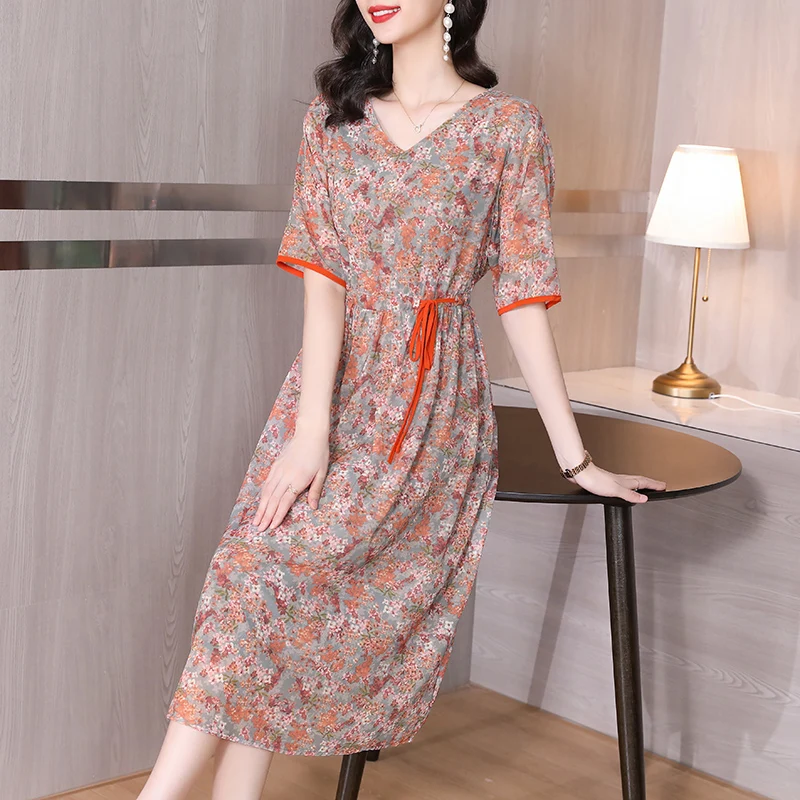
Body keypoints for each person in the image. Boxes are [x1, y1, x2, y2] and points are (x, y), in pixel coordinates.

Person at [137, 1, 667, 797]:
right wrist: (311, 431)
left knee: (268, 595)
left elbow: (523, 300)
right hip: (330, 396)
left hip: (433, 412)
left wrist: (577, 458)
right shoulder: (334, 120)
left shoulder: (508, 128)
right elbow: (324, 283)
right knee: (253, 585)